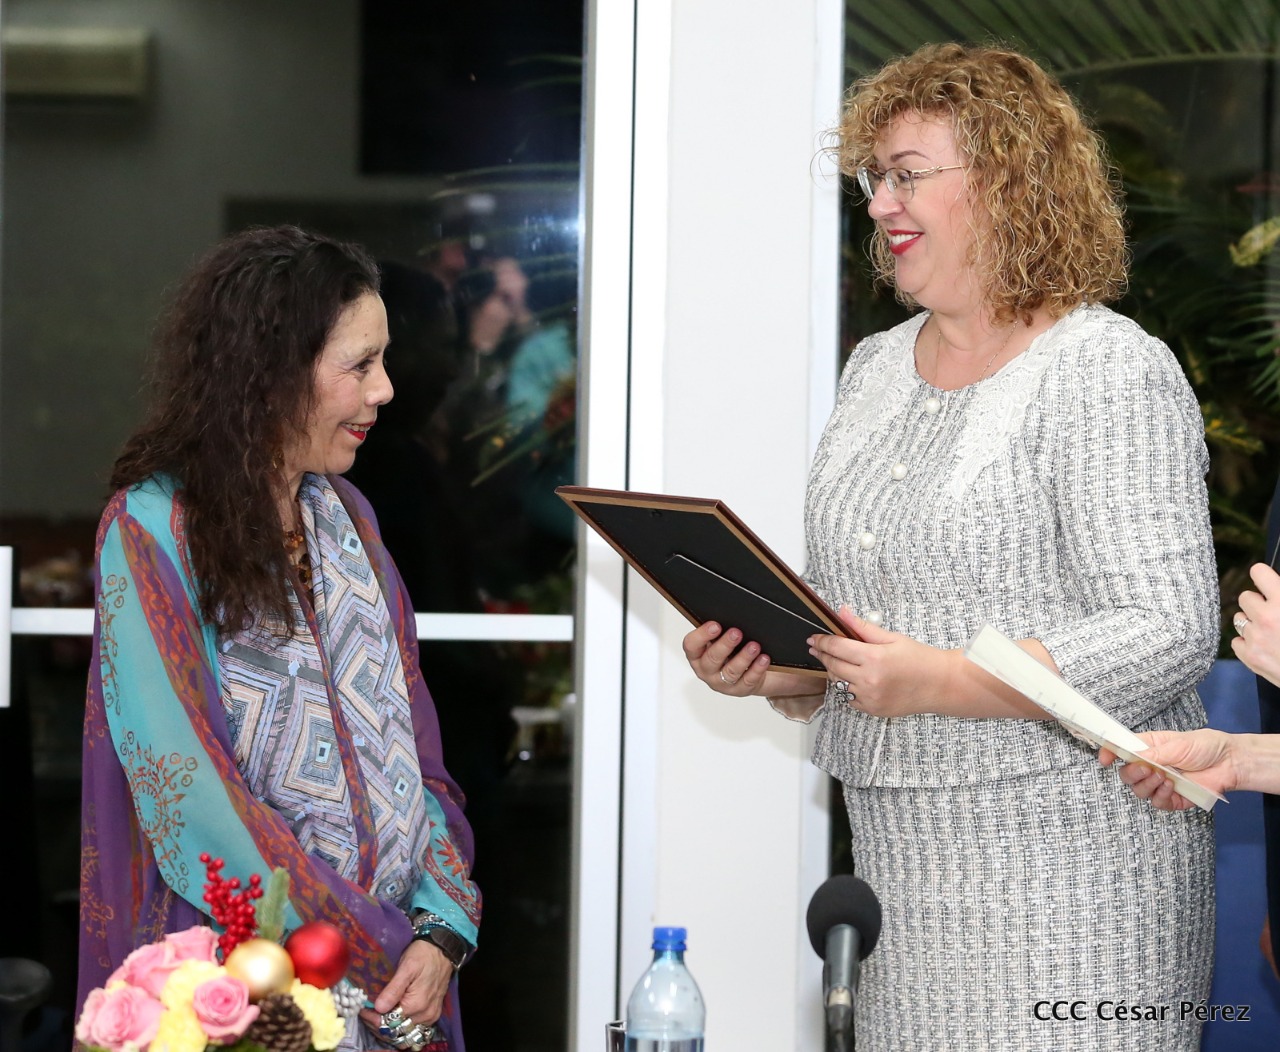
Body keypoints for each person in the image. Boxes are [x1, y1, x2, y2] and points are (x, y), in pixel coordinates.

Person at [682, 43, 1217, 1050]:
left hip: (1083, 883)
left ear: (1008, 183)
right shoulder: (877, 368)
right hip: (899, 877)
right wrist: (785, 668)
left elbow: (1166, 629)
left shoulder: (1107, 368)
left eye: (907, 175)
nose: (881, 204)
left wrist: (946, 679)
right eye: (873, 178)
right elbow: (871, 622)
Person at [76, 226, 481, 1052]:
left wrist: (440, 926)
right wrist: (369, 938)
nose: (386, 390)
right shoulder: (154, 528)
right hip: (246, 986)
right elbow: (189, 795)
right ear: (270, 370)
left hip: (401, 988)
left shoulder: (348, 516)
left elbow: (417, 755)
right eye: (360, 365)